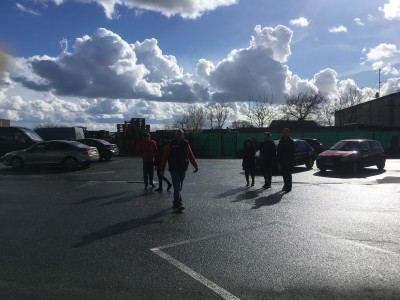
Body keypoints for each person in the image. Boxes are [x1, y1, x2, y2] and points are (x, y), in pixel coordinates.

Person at [160, 129, 199, 211]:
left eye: (180, 134)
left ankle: (175, 202)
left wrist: (195, 166)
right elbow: (164, 157)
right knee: (177, 186)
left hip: (183, 168)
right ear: (175, 135)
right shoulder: (170, 144)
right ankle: (179, 203)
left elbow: (190, 155)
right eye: (177, 134)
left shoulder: (186, 143)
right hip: (173, 168)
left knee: (179, 186)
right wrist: (162, 169)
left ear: (183, 135)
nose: (179, 135)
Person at [277, 128, 295, 192]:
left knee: (288, 174)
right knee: (284, 173)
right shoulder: (281, 140)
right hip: (282, 160)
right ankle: (285, 185)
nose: (284, 133)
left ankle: (289, 186)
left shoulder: (290, 141)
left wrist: (290, 160)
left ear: (288, 133)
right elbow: (278, 150)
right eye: (283, 132)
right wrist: (278, 160)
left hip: (288, 160)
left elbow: (292, 152)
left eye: (285, 132)